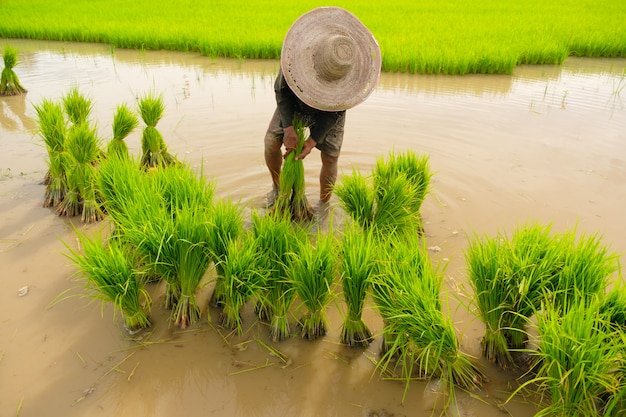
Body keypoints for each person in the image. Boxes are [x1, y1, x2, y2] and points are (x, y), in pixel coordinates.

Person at [264, 6, 381, 208]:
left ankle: (324, 205)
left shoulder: (347, 86)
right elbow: (281, 90)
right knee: (271, 143)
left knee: (330, 157)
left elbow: (337, 112)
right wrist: (288, 128)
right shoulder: (296, 56)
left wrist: (312, 141)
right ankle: (277, 188)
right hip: (295, 100)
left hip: (330, 109)